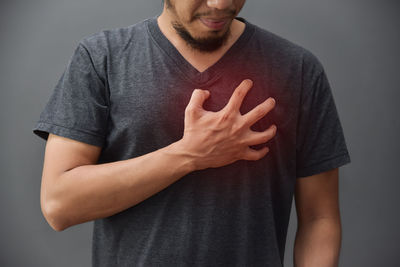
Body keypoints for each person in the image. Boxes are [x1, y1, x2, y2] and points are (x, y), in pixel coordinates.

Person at [32, 0, 351, 266]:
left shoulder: (297, 69)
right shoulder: (101, 58)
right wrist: (189, 154)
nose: (221, 4)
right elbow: (60, 205)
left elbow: (318, 218)